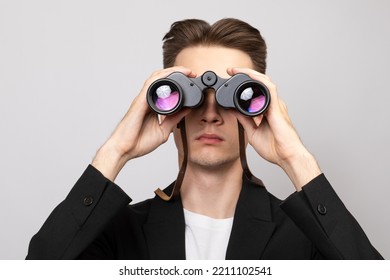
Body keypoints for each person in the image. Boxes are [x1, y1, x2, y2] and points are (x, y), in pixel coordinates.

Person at [26, 18, 382, 260]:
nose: (210, 113)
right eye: (190, 94)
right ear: (165, 103)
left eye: (235, 95)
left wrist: (296, 159)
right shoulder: (120, 233)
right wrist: (116, 149)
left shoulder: (305, 236)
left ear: (259, 102)